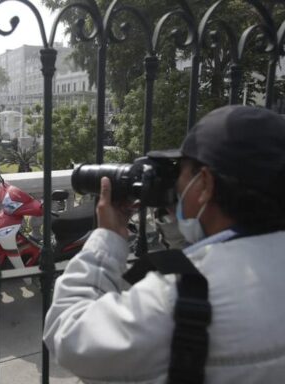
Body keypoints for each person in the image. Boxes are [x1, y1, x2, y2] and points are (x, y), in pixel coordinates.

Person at [43, 105, 285, 383]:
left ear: (204, 184)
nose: (176, 188)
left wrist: (107, 239)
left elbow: (69, 336)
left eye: (181, 173)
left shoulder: (176, 300)